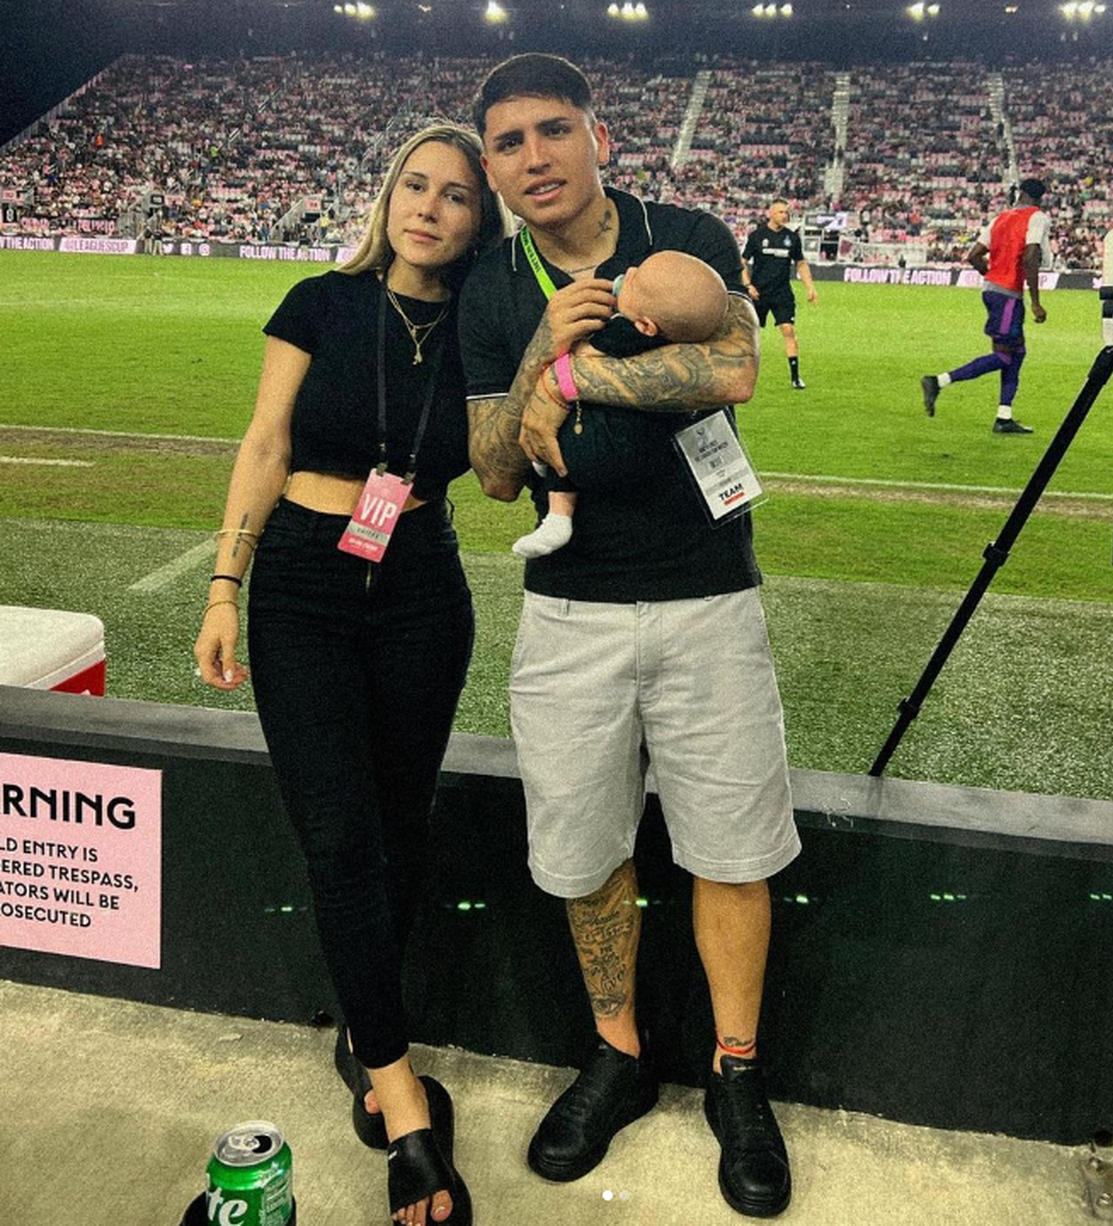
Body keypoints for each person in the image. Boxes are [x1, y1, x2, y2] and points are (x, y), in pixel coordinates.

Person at [460, 54, 800, 1219]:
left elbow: (736, 366)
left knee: (732, 845)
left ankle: (737, 1073)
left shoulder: (686, 230)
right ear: (493, 164)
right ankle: (618, 1053)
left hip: (708, 594)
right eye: (507, 143)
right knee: (585, 853)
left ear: (598, 134)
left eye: (554, 130)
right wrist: (532, 353)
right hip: (568, 616)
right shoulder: (495, 284)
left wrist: (579, 374)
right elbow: (497, 475)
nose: (533, 158)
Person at [193, 123, 507, 1226]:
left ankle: (361, 1031)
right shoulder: (318, 302)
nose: (429, 206)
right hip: (302, 589)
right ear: (387, 197)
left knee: (399, 826)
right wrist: (226, 583)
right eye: (414, 185)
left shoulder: (484, 322)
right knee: (337, 836)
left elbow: (511, 464)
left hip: (421, 581)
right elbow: (266, 443)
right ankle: (401, 1098)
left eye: (456, 196)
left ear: (480, 219)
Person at [511, 248, 729, 558]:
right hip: (651, 453)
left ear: (646, 326)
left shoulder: (623, 332)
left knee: (561, 451)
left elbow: (582, 356)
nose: (628, 271)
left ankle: (557, 517)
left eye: (636, 280)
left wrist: (570, 343)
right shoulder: (678, 343)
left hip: (597, 448)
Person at [921, 177, 1051, 434]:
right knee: (1003, 356)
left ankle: (1004, 416)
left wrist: (992, 275)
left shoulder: (1000, 218)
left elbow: (973, 256)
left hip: (994, 292)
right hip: (1008, 296)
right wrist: (1036, 302)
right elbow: (1030, 255)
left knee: (1017, 353)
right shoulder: (1037, 217)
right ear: (1039, 198)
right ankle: (938, 381)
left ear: (1020, 193)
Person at [741, 197, 817, 390]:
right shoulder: (757, 236)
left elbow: (800, 263)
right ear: (771, 213)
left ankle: (795, 377)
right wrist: (748, 285)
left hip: (782, 293)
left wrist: (810, 287)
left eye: (786, 212)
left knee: (789, 331)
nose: (785, 215)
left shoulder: (792, 238)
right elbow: (742, 263)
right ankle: (744, 375)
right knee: (750, 334)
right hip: (759, 293)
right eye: (781, 212)